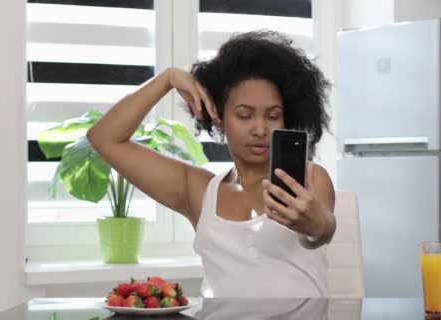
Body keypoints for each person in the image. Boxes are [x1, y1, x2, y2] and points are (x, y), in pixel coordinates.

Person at [87, 30, 336, 297]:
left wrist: (317, 225)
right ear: (218, 115)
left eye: (273, 116)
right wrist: (167, 79)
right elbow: (104, 139)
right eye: (245, 115)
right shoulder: (198, 190)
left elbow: (320, 232)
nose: (260, 129)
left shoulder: (310, 179)